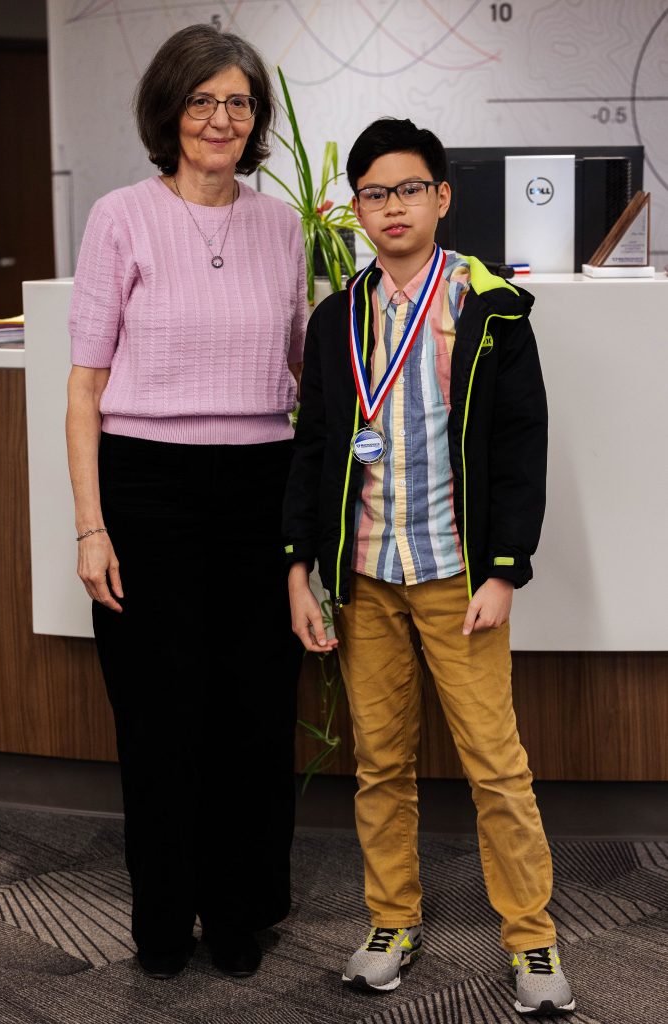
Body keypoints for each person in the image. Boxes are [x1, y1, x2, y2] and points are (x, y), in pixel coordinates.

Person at [283, 118, 575, 1016]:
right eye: (374, 193)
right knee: (379, 764)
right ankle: (391, 920)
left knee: (495, 765)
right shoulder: (336, 318)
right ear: (356, 210)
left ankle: (530, 938)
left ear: (441, 198)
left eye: (409, 189)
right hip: (367, 576)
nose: (392, 207)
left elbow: (521, 444)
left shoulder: (490, 310)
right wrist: (300, 568)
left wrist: (504, 570)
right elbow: (314, 445)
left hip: (456, 574)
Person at [66, 25, 305, 981]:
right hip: (146, 488)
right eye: (201, 100)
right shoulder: (120, 216)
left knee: (254, 715)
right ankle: (163, 920)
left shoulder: (281, 226)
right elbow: (85, 387)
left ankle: (239, 912)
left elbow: (300, 365)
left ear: (256, 120)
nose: (219, 118)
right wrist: (92, 527)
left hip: (260, 489)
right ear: (168, 112)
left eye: (238, 102)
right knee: (160, 720)